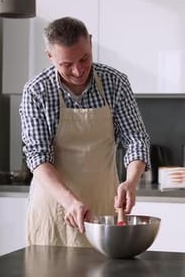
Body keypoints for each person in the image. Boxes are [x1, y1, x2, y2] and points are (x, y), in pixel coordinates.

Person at [19, 16, 150, 247]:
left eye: (84, 58)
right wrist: (69, 202)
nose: (78, 71)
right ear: (50, 57)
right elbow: (38, 156)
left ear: (90, 42)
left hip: (103, 207)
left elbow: (136, 139)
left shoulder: (114, 82)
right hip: (54, 208)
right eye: (66, 64)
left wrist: (131, 181)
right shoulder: (36, 91)